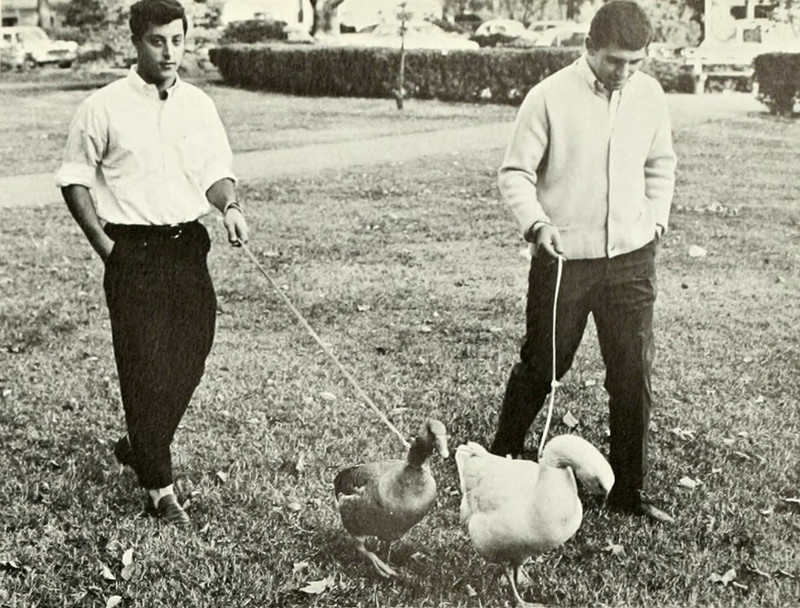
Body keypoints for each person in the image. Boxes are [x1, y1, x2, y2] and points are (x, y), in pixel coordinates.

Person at [55, 0, 248, 526]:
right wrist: (107, 248)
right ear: (136, 42)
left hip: (187, 247)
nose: (169, 52)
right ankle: (160, 489)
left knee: (192, 351)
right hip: (132, 252)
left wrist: (229, 207)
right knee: (142, 366)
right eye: (157, 41)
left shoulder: (199, 105)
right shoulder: (102, 106)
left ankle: (142, 441)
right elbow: (74, 179)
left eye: (177, 40)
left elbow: (215, 171)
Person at [491, 0, 677, 524]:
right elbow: (515, 172)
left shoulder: (649, 95)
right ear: (589, 47)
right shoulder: (549, 96)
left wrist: (655, 222)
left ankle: (628, 491)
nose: (624, 72)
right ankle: (501, 458)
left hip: (632, 261)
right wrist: (537, 224)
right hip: (564, 261)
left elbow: (660, 165)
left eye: (635, 62)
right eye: (614, 60)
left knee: (632, 371)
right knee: (543, 363)